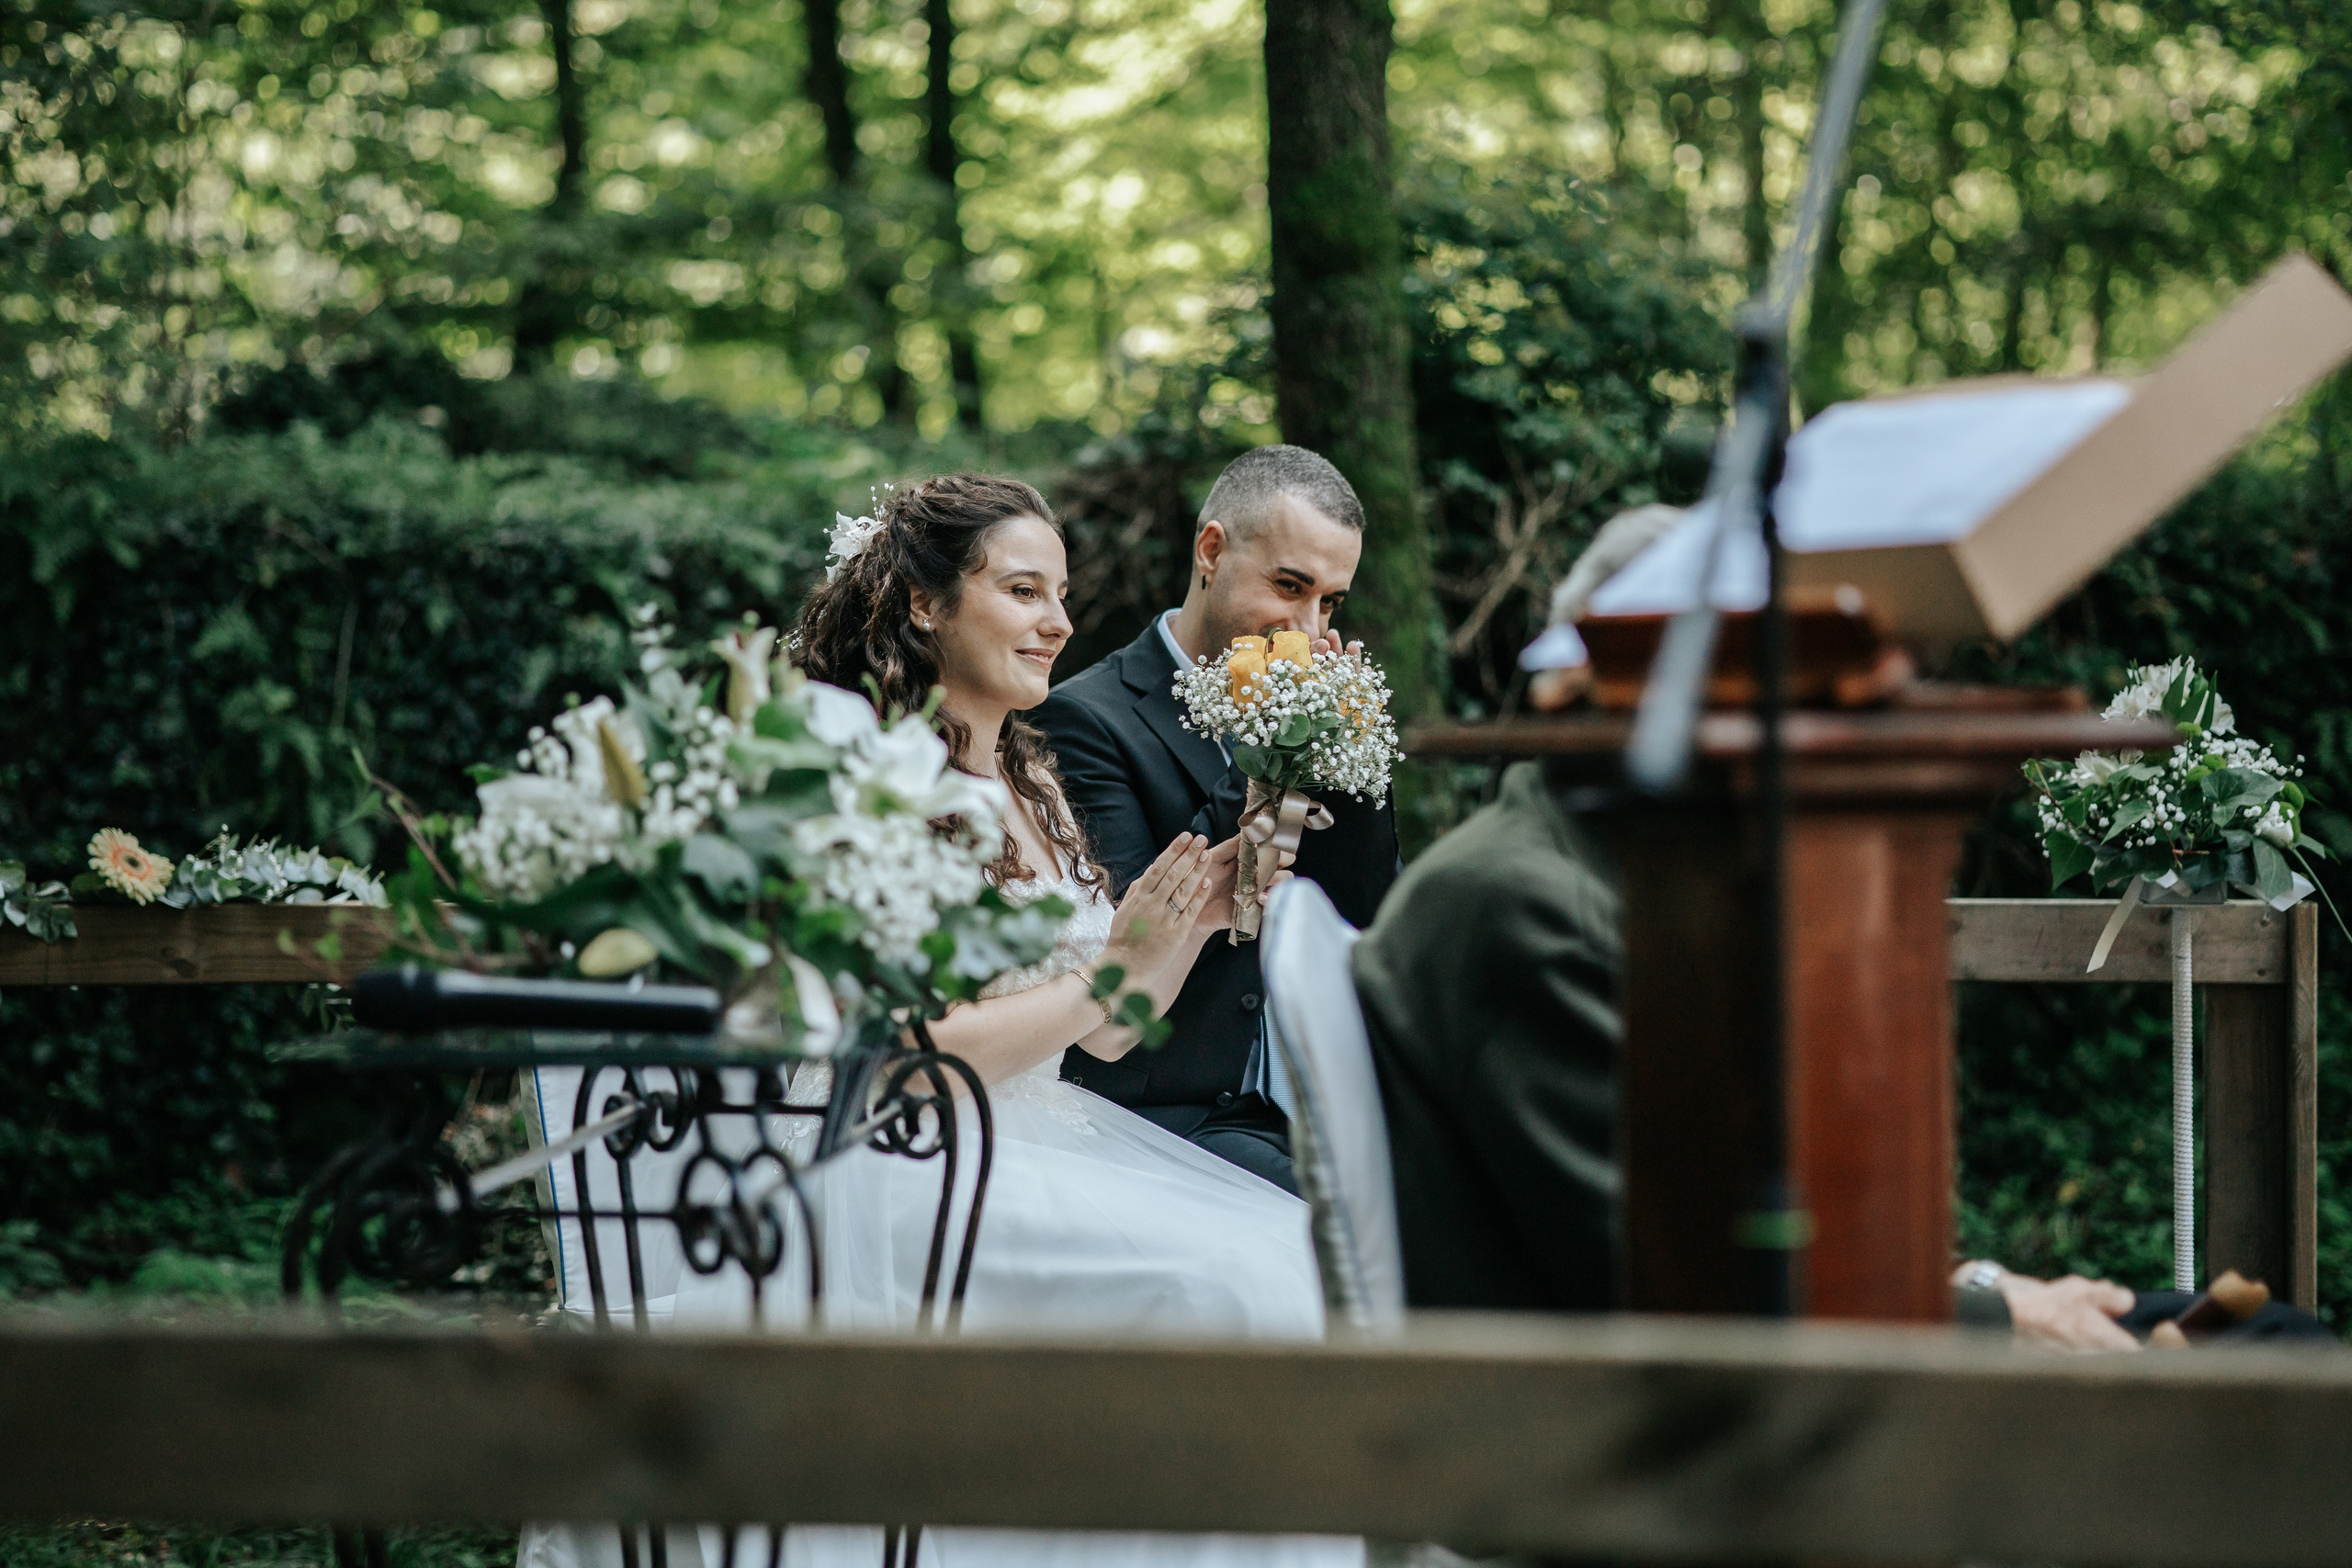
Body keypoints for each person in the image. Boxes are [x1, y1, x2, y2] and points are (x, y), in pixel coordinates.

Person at [646, 473, 1362, 1568]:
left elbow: (1113, 1034)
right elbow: (900, 1056)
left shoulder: (1032, 780)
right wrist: (1108, 981)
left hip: (1051, 1141)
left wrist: (1196, 915)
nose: (1060, 622)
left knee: (1297, 1261)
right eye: (1025, 591)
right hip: (898, 1159)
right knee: (1231, 1287)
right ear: (926, 606)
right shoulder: (855, 780)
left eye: (1062, 595)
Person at [1035, 446, 1401, 1193]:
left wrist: (1349, 744)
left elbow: (1367, 912)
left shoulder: (1312, 706)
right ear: (1212, 551)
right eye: (1289, 586)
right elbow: (1140, 942)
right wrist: (1271, 751)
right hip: (1173, 1109)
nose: (1306, 623)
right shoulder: (1082, 719)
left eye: (1329, 602)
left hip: (1318, 1092)